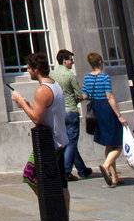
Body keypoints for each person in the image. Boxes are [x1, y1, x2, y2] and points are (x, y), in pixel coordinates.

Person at [11, 52, 70, 219]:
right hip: (60, 140)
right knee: (61, 183)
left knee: (29, 175)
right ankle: (63, 219)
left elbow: (37, 119)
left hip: (48, 144)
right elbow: (43, 114)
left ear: (36, 69)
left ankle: (52, 208)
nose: (27, 71)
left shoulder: (43, 90)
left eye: (29, 68)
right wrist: (29, 105)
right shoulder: (55, 85)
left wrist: (21, 102)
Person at [83, 50, 125, 186]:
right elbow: (110, 97)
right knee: (118, 144)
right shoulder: (104, 77)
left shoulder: (87, 78)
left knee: (109, 144)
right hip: (106, 109)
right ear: (100, 62)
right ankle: (106, 165)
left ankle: (114, 178)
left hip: (95, 110)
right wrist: (119, 115)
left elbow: (85, 95)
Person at [52, 47, 93, 179]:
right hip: (71, 111)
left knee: (69, 142)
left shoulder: (52, 74)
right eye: (71, 60)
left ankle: (82, 170)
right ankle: (66, 171)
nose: (72, 62)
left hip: (58, 113)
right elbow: (79, 94)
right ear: (64, 61)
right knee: (71, 143)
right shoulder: (70, 75)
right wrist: (86, 96)